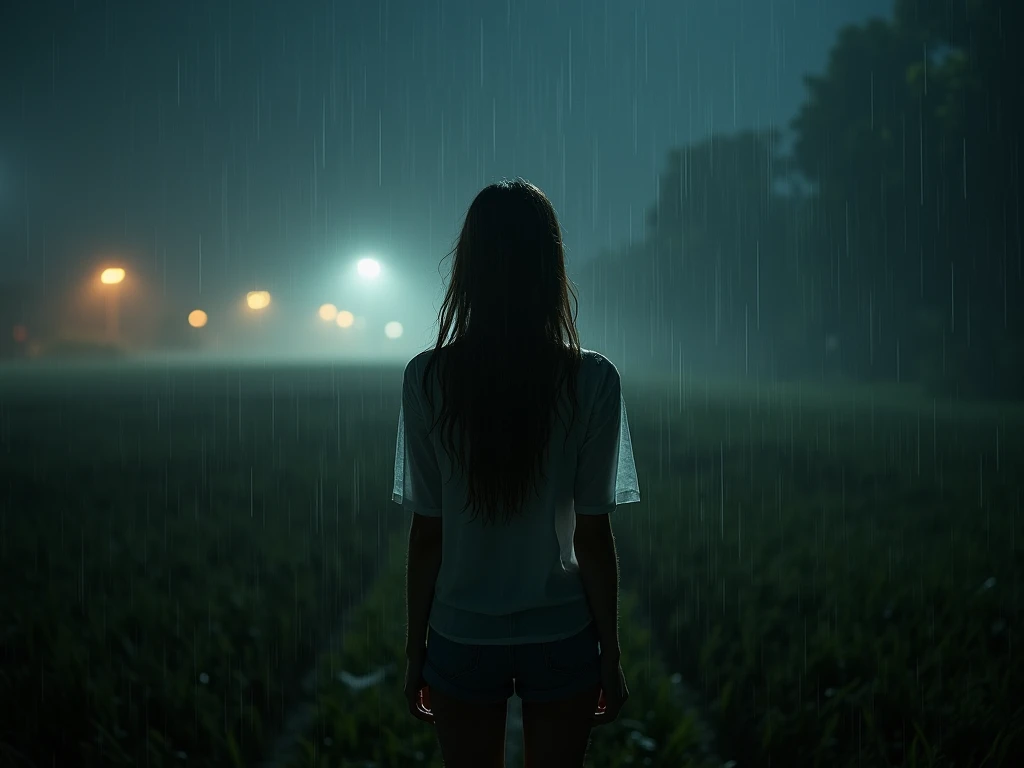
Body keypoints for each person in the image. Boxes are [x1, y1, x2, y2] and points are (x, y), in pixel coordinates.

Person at [392, 179, 641, 767]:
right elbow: (592, 530)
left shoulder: (427, 379)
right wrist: (610, 652)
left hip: (461, 636)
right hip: (561, 634)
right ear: (550, 269)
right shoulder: (592, 380)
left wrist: (414, 654)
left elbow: (429, 530)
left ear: (468, 269)